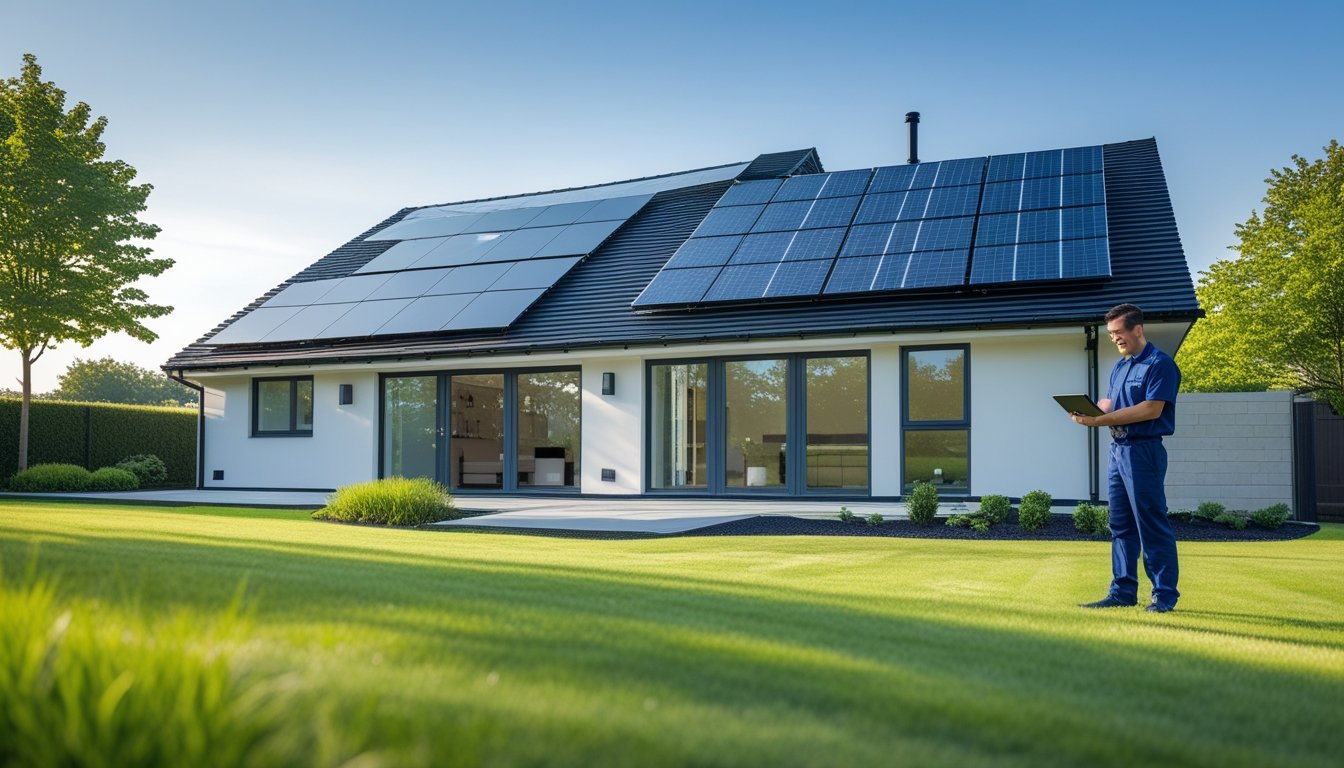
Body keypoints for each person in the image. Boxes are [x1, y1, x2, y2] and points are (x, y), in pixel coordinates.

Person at [1070, 303, 1181, 612]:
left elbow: (1151, 409)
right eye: (1111, 334)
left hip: (1144, 451)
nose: (1115, 338)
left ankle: (1164, 595)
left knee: (1151, 523)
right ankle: (1122, 592)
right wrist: (1090, 411)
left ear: (1138, 329)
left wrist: (1100, 421)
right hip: (1118, 451)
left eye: (1119, 332)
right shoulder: (1121, 366)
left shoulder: (1161, 365)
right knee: (1120, 525)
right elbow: (1111, 403)